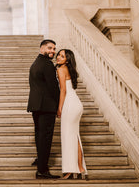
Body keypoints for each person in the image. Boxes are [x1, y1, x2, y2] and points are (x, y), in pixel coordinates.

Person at [27, 39, 60, 179]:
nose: (52, 51)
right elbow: (53, 88)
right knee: (45, 137)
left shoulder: (36, 63)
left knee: (39, 135)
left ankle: (40, 160)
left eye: (54, 49)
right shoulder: (47, 64)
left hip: (36, 105)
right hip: (46, 106)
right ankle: (42, 170)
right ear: (41, 48)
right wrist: (60, 105)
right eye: (49, 48)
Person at [56, 49, 88, 180]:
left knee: (68, 137)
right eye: (58, 54)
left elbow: (63, 90)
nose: (58, 57)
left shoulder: (60, 69)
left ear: (67, 60)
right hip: (76, 103)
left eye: (62, 56)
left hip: (69, 104)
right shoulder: (69, 70)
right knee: (75, 137)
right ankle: (80, 169)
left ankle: (70, 171)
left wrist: (59, 108)